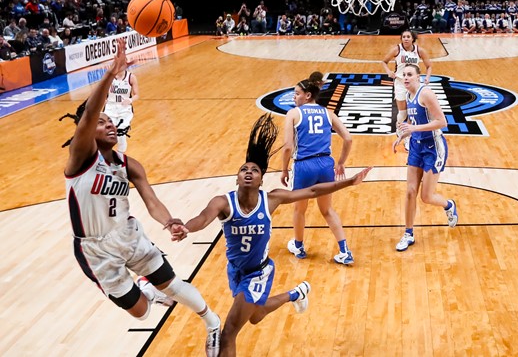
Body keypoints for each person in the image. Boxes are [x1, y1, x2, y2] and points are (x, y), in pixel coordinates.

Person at [61, 38, 221, 357]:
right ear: (86, 129)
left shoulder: (128, 163)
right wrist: (110, 75)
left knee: (172, 284)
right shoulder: (80, 158)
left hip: (129, 234)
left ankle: (213, 324)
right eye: (102, 122)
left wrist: (170, 221)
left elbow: (150, 199)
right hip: (96, 249)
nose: (110, 124)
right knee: (142, 312)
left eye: (111, 121)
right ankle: (145, 289)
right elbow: (91, 111)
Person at [179, 113, 372, 356]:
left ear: (261, 180)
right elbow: (202, 218)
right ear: (237, 177)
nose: (248, 172)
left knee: (228, 332)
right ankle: (296, 293)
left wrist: (348, 182)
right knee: (256, 316)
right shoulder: (223, 202)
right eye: (243, 169)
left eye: (254, 170)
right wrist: (186, 227)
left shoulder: (271, 199)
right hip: (235, 270)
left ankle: (288, 297)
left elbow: (313, 190)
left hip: (259, 272)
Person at [281, 72, 355, 264]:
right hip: (325, 165)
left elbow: (288, 146)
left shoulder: (293, 114)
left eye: (297, 93)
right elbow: (348, 138)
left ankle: (298, 245)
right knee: (327, 209)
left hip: (304, 165)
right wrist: (340, 162)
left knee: (300, 209)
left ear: (307, 95)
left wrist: (283, 169)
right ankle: (344, 250)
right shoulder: (328, 112)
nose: (294, 96)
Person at [392, 64, 458, 252]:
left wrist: (413, 129)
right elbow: (413, 122)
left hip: (433, 147)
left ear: (418, 77)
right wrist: (402, 136)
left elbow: (441, 122)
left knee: (426, 197)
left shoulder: (426, 93)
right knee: (410, 191)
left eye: (410, 75)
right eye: (403, 75)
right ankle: (408, 233)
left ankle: (449, 205)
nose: (405, 78)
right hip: (416, 146)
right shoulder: (407, 95)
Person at [382, 29, 433, 152]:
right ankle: (399, 127)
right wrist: (389, 71)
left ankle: (407, 138)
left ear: (412, 38)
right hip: (400, 83)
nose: (405, 38)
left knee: (412, 112)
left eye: (408, 37)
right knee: (403, 113)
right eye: (403, 37)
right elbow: (384, 61)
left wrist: (427, 77)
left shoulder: (419, 50)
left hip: (414, 85)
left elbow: (429, 66)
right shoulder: (397, 49)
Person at [103, 66, 140, 153]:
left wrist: (130, 100)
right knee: (106, 132)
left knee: (120, 133)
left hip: (124, 108)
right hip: (110, 108)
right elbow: (103, 90)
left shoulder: (131, 77)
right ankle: (104, 155)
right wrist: (104, 99)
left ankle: (120, 156)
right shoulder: (109, 77)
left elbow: (137, 95)